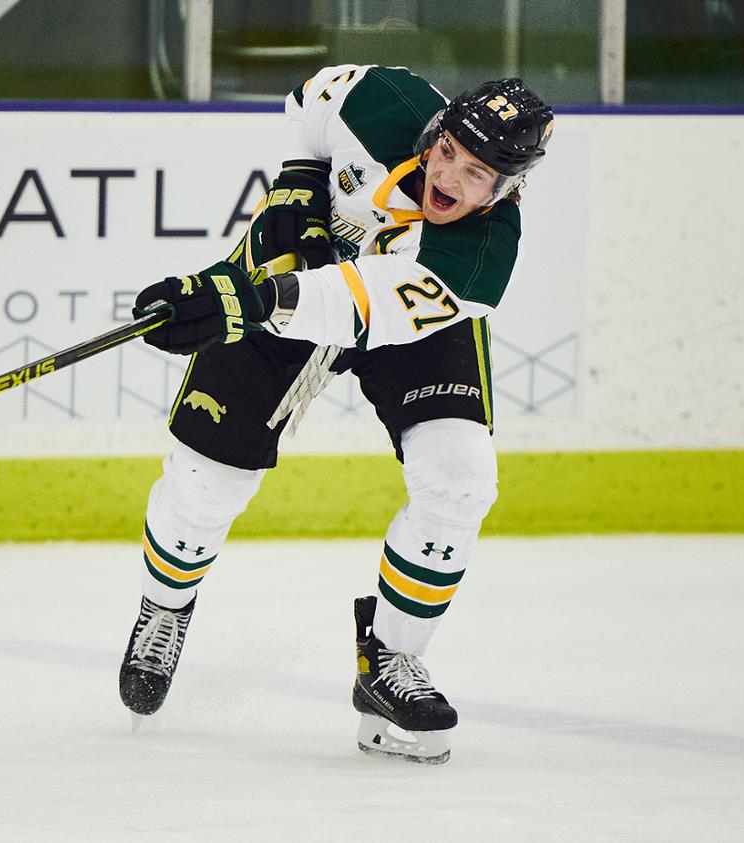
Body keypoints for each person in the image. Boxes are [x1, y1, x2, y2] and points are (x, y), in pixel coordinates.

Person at [116, 64, 554, 764]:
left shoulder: (479, 259)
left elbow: (360, 305)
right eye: (447, 152)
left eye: (476, 175)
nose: (447, 178)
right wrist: (298, 176)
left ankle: (390, 661)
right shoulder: (385, 98)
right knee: (203, 485)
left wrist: (245, 301)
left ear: (507, 188)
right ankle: (165, 606)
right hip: (286, 271)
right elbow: (312, 99)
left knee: (460, 477)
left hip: (394, 321)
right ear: (437, 130)